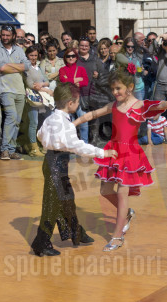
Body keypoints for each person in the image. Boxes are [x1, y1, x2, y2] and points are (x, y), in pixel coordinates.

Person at [74, 70, 167, 251]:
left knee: (122, 193)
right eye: (113, 89)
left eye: (118, 88)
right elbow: (93, 114)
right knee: (105, 190)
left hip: (130, 154)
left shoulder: (138, 105)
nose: (115, 92)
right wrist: (72, 124)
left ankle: (117, 236)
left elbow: (159, 103)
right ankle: (128, 214)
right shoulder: (114, 105)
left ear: (129, 87)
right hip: (113, 151)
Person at [31, 82, 117, 256]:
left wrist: (50, 142)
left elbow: (40, 134)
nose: (79, 105)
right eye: (78, 102)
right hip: (56, 164)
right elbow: (77, 146)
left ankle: (77, 232)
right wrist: (103, 152)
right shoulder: (65, 124)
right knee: (52, 205)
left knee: (67, 199)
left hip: (52, 162)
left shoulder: (51, 118)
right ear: (70, 103)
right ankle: (41, 243)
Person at [0, 24, 31, 160]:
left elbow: (27, 65)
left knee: (17, 120)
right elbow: (1, 67)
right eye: (3, 35)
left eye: (8, 35)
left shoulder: (19, 50)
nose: (5, 37)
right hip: (5, 89)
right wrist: (17, 67)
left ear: (13, 36)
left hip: (19, 89)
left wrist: (10, 66)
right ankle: (4, 150)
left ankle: (12, 149)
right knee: (11, 116)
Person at [23, 45, 53, 157]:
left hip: (42, 98)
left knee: (42, 122)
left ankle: (42, 144)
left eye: (35, 55)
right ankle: (33, 147)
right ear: (27, 56)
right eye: (31, 55)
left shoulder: (39, 67)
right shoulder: (27, 68)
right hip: (33, 98)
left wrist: (43, 84)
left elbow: (47, 80)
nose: (33, 57)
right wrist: (46, 89)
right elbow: (31, 84)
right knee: (33, 122)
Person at [59, 48, 89, 143]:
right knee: (69, 124)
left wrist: (75, 81)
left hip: (79, 98)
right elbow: (63, 81)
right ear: (65, 58)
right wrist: (77, 79)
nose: (71, 58)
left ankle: (85, 145)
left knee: (84, 123)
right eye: (68, 56)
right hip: (67, 100)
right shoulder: (62, 69)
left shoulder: (81, 69)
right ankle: (71, 144)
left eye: (73, 56)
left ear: (76, 58)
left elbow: (86, 81)